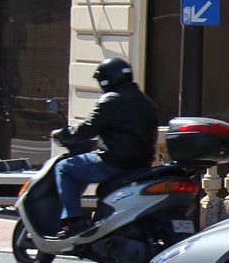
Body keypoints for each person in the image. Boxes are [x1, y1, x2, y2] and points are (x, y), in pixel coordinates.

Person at [46, 56, 159, 238]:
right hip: (141, 166)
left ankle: (73, 220)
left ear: (104, 80)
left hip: (114, 163)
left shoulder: (111, 100)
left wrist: (64, 134)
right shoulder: (146, 102)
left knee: (64, 168)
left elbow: (87, 129)